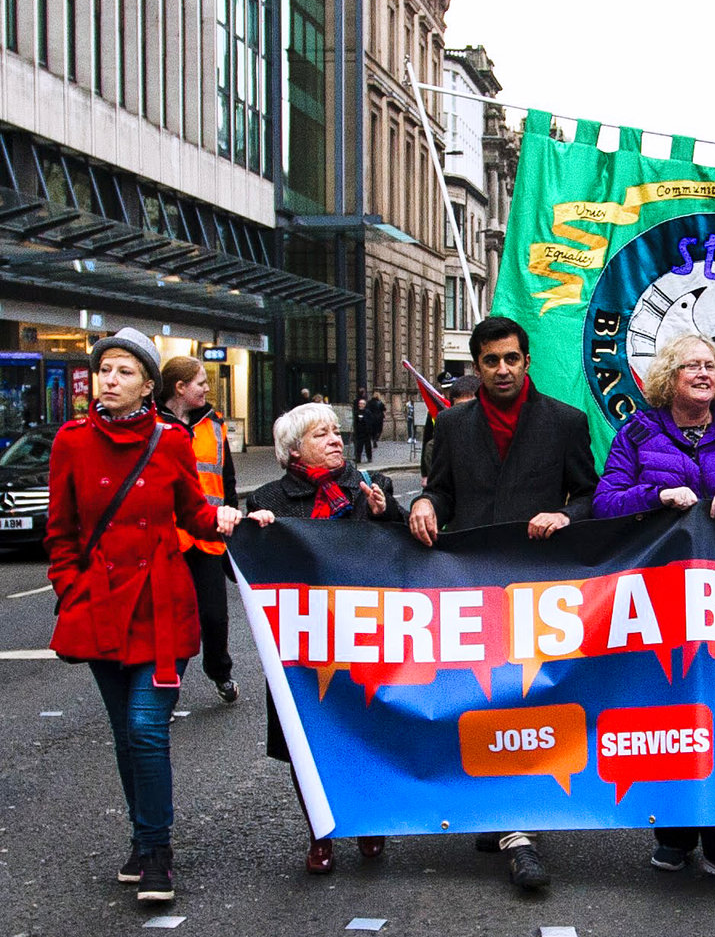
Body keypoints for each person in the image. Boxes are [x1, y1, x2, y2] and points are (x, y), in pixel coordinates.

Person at [44, 327, 256, 904]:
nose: (109, 381)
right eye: (104, 370)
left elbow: (192, 509)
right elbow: (61, 532)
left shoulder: (169, 441)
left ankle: (157, 849)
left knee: (144, 727)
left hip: (161, 604)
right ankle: (143, 841)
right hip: (99, 608)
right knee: (123, 733)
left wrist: (232, 519)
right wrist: (72, 587)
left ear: (146, 387)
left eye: (124, 372)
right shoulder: (71, 441)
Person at [409, 316, 597, 892]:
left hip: (536, 586)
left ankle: (520, 828)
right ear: (477, 365)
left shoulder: (565, 423)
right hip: (469, 583)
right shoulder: (454, 424)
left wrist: (565, 515)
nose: (502, 370)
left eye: (511, 359)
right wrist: (424, 501)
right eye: (490, 361)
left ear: (527, 360)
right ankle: (496, 806)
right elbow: (441, 487)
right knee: (478, 697)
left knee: (522, 701)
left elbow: (591, 492)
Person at [594, 332, 715, 885]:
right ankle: (673, 836)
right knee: (670, 711)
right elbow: (606, 502)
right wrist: (655, 497)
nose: (703, 374)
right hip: (660, 599)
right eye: (691, 366)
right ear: (668, 377)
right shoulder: (637, 433)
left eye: (711, 367)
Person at [247, 403, 403, 874]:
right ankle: (321, 830)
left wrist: (387, 513)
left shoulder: (367, 489)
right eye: (322, 434)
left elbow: (407, 557)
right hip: (301, 645)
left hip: (363, 635)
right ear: (294, 448)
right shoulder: (266, 500)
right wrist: (254, 538)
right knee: (307, 738)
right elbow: (236, 573)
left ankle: (369, 820)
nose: (337, 439)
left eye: (337, 431)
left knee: (367, 727)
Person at [158, 356, 240, 705]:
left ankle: (220, 671)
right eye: (201, 383)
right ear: (180, 388)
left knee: (213, 615)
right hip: (168, 539)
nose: (207, 388)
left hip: (208, 535)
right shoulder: (153, 426)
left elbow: (228, 479)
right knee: (172, 618)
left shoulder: (214, 424)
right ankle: (168, 687)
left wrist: (233, 520)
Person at [419, 374, 478, 484]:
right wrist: (426, 475)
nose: (464, 413)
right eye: (446, 390)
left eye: (472, 407)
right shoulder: (437, 412)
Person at [352, 395, 372, 464]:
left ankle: (369, 457)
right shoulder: (356, 412)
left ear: (365, 405)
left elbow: (370, 421)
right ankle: (358, 458)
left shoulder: (368, 412)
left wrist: (369, 430)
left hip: (366, 432)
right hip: (359, 432)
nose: (361, 405)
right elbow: (355, 422)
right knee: (358, 446)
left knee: (368, 446)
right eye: (360, 404)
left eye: (363, 404)